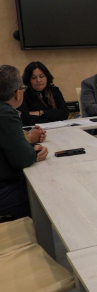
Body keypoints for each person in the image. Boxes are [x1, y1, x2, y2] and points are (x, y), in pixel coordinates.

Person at [0, 65, 48, 222]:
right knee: (46, 192)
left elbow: (12, 145)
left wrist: (30, 147)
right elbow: (22, 159)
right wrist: (33, 152)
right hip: (4, 190)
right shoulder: (6, 114)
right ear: (17, 93)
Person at [18, 61, 69, 126]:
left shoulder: (54, 90)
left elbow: (64, 114)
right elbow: (26, 119)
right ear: (28, 80)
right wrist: (53, 117)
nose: (38, 80)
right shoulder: (24, 94)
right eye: (34, 78)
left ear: (47, 77)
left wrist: (41, 113)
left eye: (41, 76)